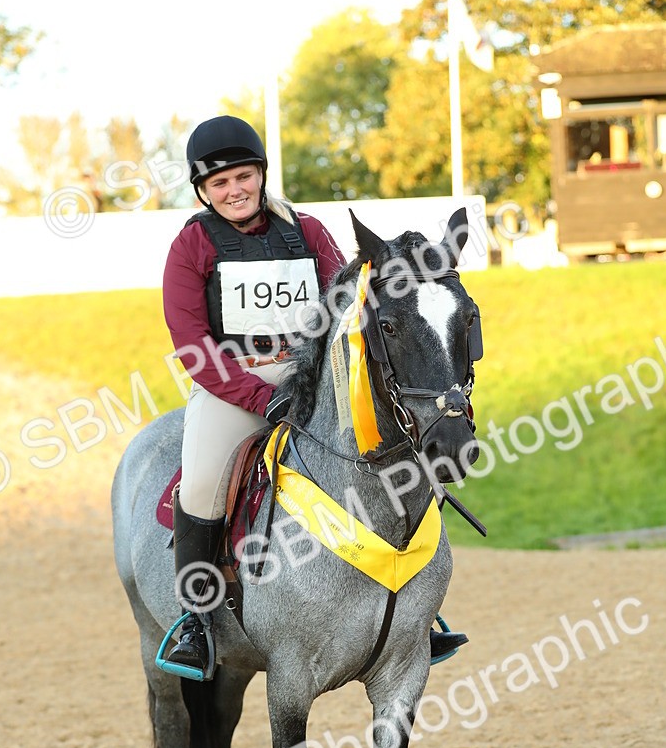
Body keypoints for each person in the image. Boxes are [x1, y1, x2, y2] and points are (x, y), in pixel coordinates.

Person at [161, 114, 467, 680]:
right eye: (220, 183)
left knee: (397, 453)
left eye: (243, 177)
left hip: (316, 378)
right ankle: (196, 621)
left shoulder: (306, 231)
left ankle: (419, 612)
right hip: (232, 385)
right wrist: (257, 396)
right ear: (203, 191)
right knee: (202, 484)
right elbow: (192, 345)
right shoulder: (192, 247)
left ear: (261, 175)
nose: (234, 191)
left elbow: (348, 307)